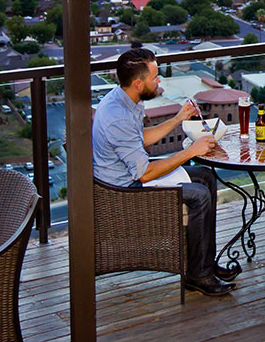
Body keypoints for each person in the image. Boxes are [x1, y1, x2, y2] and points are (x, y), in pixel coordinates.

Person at [92, 44, 238, 296]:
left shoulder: (125, 99)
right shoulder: (117, 115)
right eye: (154, 77)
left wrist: (179, 118)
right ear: (138, 84)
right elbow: (145, 173)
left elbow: (141, 140)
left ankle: (204, 263)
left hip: (131, 177)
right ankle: (198, 277)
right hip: (122, 191)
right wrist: (190, 152)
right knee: (199, 195)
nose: (159, 80)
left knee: (205, 176)